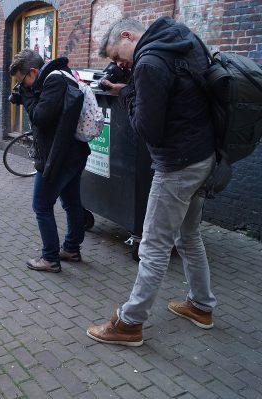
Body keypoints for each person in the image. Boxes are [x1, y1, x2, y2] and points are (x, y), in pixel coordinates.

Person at [87, 17, 217, 346]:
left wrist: (127, 95)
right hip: (204, 155)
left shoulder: (149, 62)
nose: (120, 64)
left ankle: (129, 324)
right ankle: (201, 305)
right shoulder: (184, 39)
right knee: (189, 236)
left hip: (176, 164)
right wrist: (132, 88)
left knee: (154, 246)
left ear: (128, 35)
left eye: (118, 57)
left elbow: (147, 130)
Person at [8, 49, 90, 273]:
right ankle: (71, 249)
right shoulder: (61, 76)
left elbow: (41, 118)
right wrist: (28, 92)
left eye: (22, 80)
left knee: (42, 205)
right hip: (73, 153)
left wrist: (26, 97)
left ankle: (50, 258)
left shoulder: (54, 82)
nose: (23, 85)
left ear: (33, 71)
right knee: (71, 202)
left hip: (58, 157)